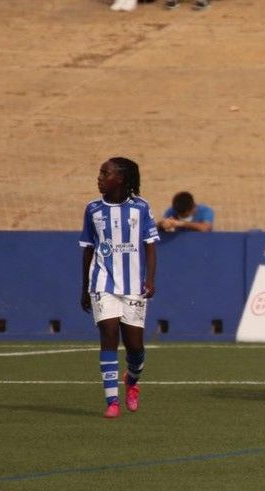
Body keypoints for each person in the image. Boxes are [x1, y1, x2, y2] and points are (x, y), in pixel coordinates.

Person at [79, 157, 159, 418]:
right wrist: (84, 287)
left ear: (121, 179)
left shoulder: (141, 208)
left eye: (105, 173)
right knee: (109, 335)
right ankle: (112, 401)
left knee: (135, 346)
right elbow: (88, 249)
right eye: (100, 173)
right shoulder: (92, 209)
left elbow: (150, 245)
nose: (99, 178)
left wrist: (150, 279)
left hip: (134, 285)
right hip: (103, 282)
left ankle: (132, 382)